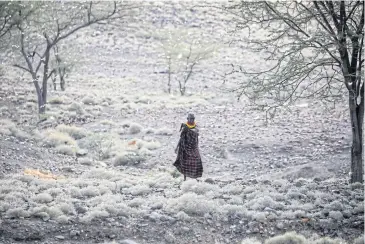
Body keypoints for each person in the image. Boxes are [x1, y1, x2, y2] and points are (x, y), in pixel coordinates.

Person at [174, 113, 203, 181]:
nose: (191, 120)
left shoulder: (195, 126)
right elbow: (181, 138)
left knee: (196, 160)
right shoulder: (185, 127)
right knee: (184, 162)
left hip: (193, 147)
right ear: (187, 119)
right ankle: (185, 178)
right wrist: (177, 147)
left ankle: (195, 177)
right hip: (184, 147)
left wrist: (190, 130)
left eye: (192, 118)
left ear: (194, 119)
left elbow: (197, 132)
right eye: (189, 118)